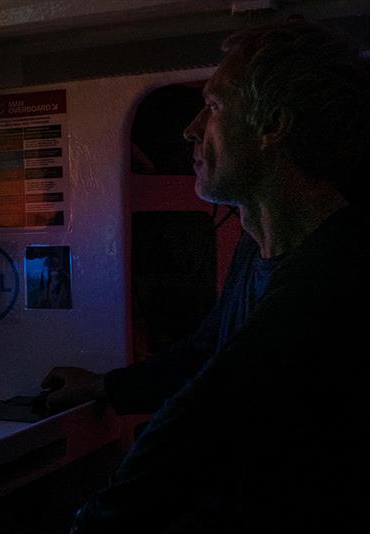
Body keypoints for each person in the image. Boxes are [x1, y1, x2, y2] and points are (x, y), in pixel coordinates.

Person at [42, 19, 370, 533]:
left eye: (214, 107)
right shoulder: (257, 244)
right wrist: (105, 387)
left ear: (273, 125)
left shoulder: (339, 272)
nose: (192, 128)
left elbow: (204, 419)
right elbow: (208, 352)